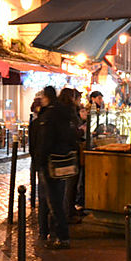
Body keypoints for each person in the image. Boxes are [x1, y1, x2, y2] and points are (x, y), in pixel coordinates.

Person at [32, 86, 78, 249]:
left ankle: (61, 236)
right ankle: (56, 234)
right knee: (59, 198)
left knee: (53, 201)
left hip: (51, 162)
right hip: (63, 160)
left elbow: (45, 141)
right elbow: (73, 136)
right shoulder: (66, 113)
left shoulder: (49, 115)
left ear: (46, 97)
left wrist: (39, 161)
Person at [58, 88, 83, 223]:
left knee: (66, 184)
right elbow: (72, 132)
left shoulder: (59, 109)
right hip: (70, 151)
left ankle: (67, 211)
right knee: (70, 183)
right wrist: (81, 131)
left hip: (61, 151)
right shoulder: (70, 110)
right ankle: (68, 213)